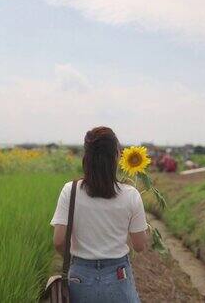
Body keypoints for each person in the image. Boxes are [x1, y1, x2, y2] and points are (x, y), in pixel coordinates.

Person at [50, 126, 148, 303]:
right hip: (119, 275)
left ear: (86, 157)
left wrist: (76, 261)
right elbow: (140, 245)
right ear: (117, 156)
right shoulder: (131, 195)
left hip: (80, 275)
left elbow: (58, 241)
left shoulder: (70, 191)